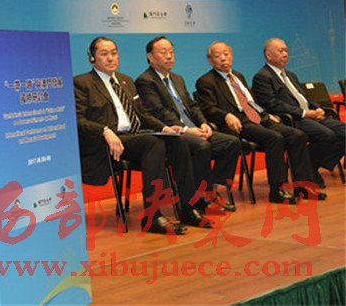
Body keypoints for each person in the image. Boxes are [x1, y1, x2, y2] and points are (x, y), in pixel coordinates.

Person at [74, 37, 213, 235]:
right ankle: (152, 216)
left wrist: (164, 128)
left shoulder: (125, 80)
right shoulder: (82, 83)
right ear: (92, 58)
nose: (111, 58)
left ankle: (188, 208)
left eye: (114, 53)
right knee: (152, 143)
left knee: (177, 141)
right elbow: (78, 120)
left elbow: (142, 114)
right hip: (108, 142)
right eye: (104, 54)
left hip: (135, 137)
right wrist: (104, 130)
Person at [195, 41, 326, 205]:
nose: (223, 58)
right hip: (239, 124)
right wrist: (226, 115)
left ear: (232, 56)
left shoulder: (238, 76)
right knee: (274, 138)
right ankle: (277, 190)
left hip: (259, 118)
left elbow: (250, 101)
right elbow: (207, 108)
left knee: (297, 135)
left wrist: (266, 114)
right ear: (210, 60)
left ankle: (302, 186)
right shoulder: (206, 81)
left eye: (226, 54)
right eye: (217, 56)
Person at [135, 36, 240, 212]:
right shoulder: (146, 81)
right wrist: (186, 130)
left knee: (232, 143)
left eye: (171, 52)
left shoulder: (177, 78)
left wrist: (204, 123)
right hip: (173, 133)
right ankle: (201, 196)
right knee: (202, 146)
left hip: (194, 129)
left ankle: (210, 189)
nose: (169, 56)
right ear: (150, 57)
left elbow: (192, 105)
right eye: (163, 52)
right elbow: (159, 111)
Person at [252, 37, 344, 188]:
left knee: (343, 132)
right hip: (293, 119)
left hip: (309, 115)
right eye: (280, 51)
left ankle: (310, 166)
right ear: (268, 55)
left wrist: (317, 108)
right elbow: (272, 104)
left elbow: (304, 98)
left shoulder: (291, 75)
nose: (285, 54)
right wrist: (304, 113)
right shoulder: (262, 77)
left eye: (286, 51)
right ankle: (308, 170)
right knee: (327, 136)